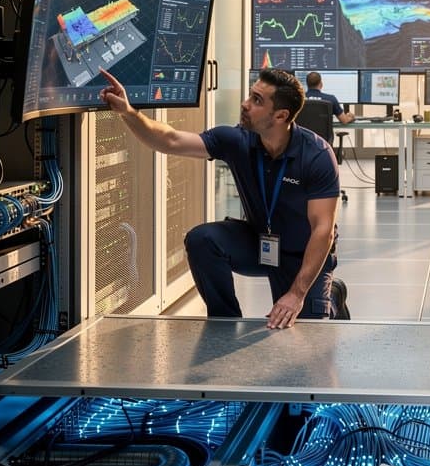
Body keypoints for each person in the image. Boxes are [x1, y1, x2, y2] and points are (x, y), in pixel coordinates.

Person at [99, 66, 349, 328]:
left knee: (309, 335)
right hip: (259, 243)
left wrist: (297, 294)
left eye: (256, 101)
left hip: (303, 254)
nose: (245, 104)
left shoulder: (317, 155)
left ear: (280, 115)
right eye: (250, 95)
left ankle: (331, 295)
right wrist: (128, 112)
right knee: (202, 240)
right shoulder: (236, 140)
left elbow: (323, 230)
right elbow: (170, 140)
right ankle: (225, 323)